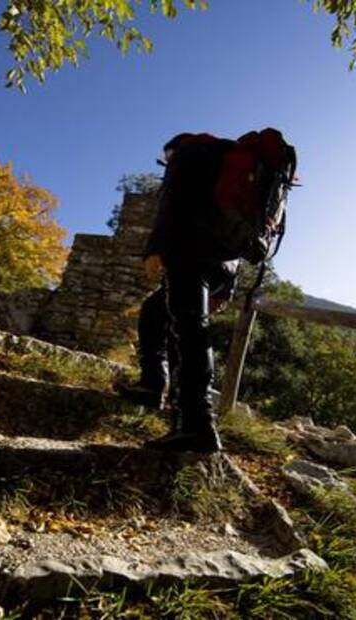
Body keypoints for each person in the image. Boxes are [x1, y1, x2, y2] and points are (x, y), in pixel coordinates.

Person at [118, 136, 239, 453]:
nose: (165, 164)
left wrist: (155, 248)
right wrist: (227, 286)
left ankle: (196, 425)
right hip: (220, 265)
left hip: (189, 252)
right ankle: (152, 385)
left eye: (165, 159)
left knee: (189, 331)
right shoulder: (227, 168)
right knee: (155, 312)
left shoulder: (187, 156)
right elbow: (236, 234)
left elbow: (171, 202)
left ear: (172, 149)